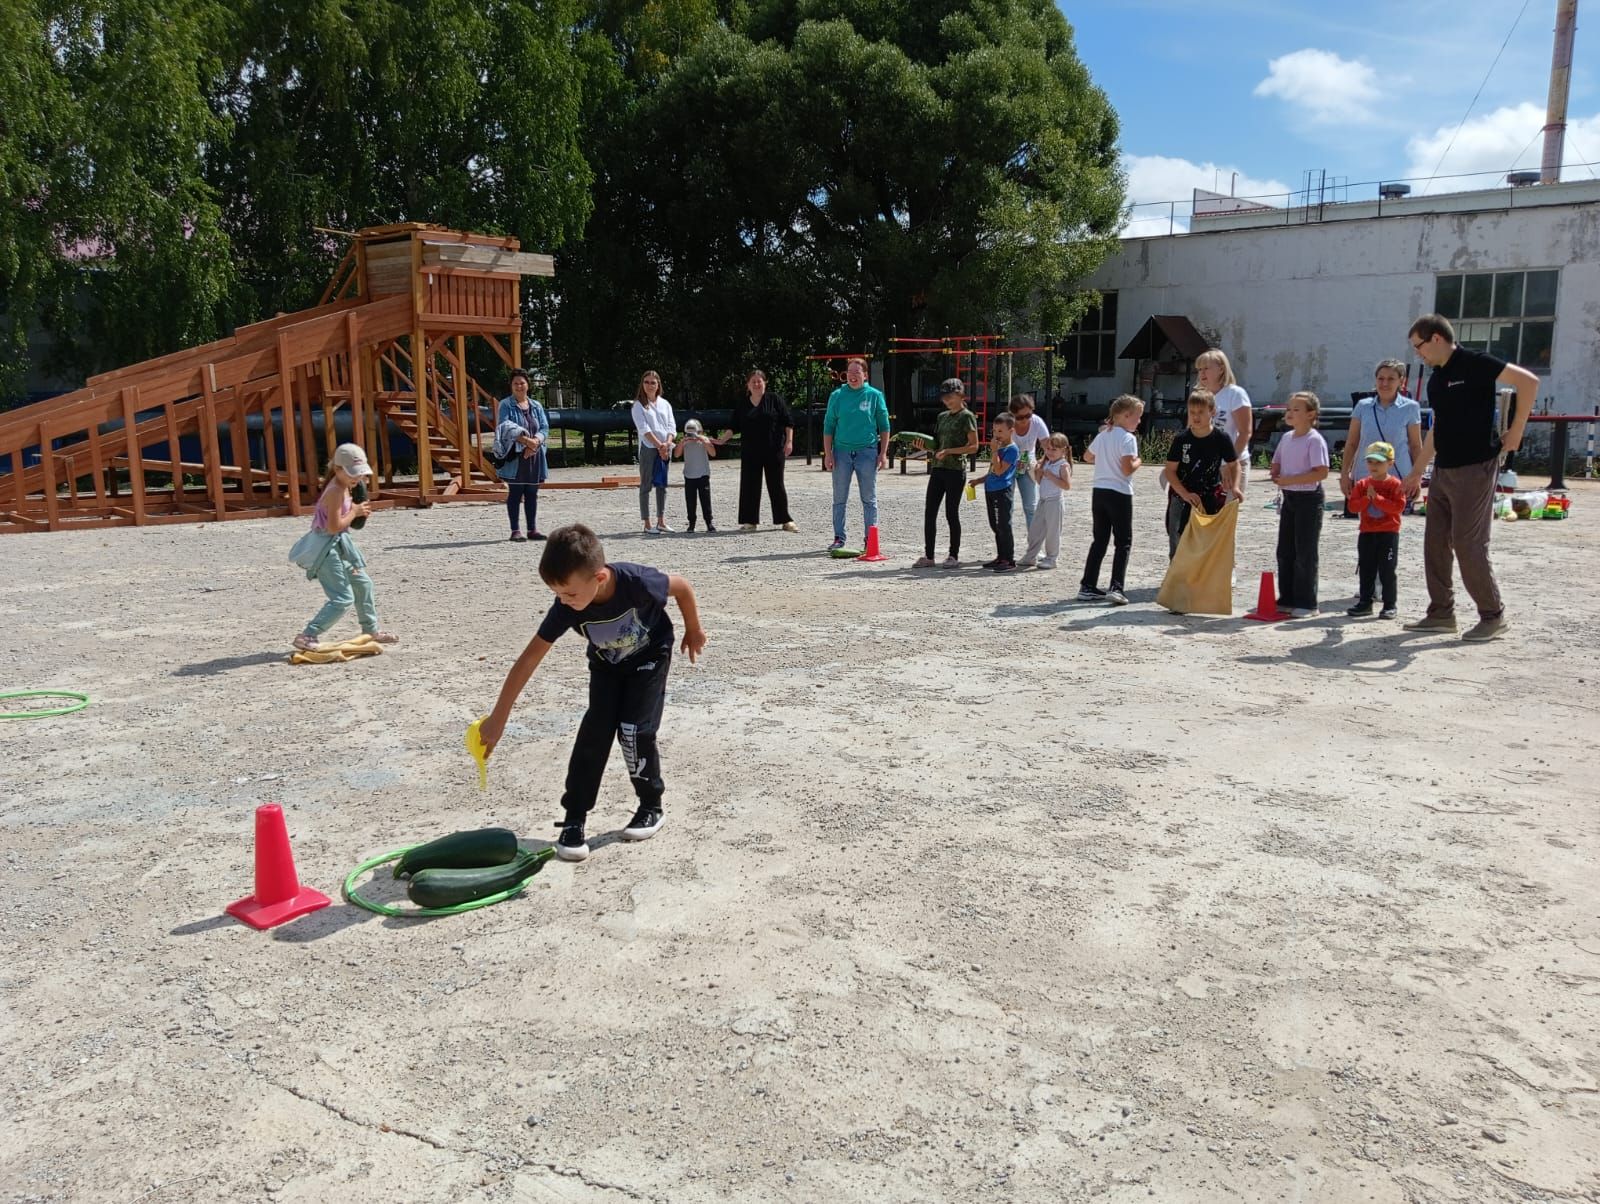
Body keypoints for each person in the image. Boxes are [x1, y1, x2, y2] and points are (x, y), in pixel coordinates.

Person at [475, 524, 707, 862]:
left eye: (568, 593)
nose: (562, 600)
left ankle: (650, 805)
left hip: (650, 656)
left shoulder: (637, 582)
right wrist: (499, 717)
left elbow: (682, 587)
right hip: (607, 666)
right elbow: (528, 660)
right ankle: (574, 819)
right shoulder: (566, 608)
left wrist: (694, 629)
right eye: (556, 593)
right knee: (594, 733)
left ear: (598, 578)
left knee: (633, 730)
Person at [1402, 314, 1534, 641]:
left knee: (1468, 542)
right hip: (1443, 469)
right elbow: (1439, 427)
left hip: (1476, 467)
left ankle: (1493, 615)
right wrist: (1418, 471)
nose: (1417, 354)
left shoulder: (1475, 362)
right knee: (1434, 542)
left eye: (1418, 346)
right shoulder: (1436, 379)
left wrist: (1516, 430)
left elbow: (1529, 382)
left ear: (1435, 338)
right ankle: (1441, 613)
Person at [289, 443, 399, 650]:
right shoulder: (336, 491)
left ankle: (370, 630)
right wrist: (355, 512)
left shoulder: (346, 486)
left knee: (363, 583)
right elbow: (333, 527)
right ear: (337, 469)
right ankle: (307, 635)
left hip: (338, 546)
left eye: (360, 474)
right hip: (325, 551)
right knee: (342, 598)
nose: (357, 478)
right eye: (352, 474)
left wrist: (357, 513)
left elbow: (342, 528)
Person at [1269, 391, 1330, 617]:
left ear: (1310, 414)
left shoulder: (1314, 440)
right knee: (1285, 549)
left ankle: (1307, 602)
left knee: (1305, 551)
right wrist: (1275, 470)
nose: (1290, 413)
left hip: (1309, 499)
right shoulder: (1286, 438)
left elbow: (1321, 472)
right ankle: (1287, 597)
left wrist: (1291, 480)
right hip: (1289, 498)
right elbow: (1277, 460)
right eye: (1289, 409)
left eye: (1296, 410)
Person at [1078, 394, 1143, 605]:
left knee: (1100, 540)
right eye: (1137, 417)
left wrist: (1105, 457)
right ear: (1125, 415)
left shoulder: (1104, 434)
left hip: (1099, 491)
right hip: (1119, 492)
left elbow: (1087, 457)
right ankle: (1116, 586)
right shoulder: (1127, 438)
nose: (1139, 421)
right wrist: (1138, 462)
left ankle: (1087, 585)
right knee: (1123, 542)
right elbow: (1126, 469)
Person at [822, 358, 890, 551]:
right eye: (849, 372)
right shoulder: (837, 396)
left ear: (865, 375)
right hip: (841, 452)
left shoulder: (874, 395)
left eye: (857, 372)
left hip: (867, 452)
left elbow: (884, 427)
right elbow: (828, 426)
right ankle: (839, 537)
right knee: (839, 497)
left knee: (869, 498)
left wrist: (882, 453)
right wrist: (828, 454)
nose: (852, 376)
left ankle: (870, 539)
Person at [1340, 358, 1422, 518]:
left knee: (1391, 525)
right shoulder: (1363, 406)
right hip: (1365, 475)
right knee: (1367, 526)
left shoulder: (1411, 408)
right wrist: (1344, 475)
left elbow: (1415, 445)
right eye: (1381, 378)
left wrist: (1416, 477)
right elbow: (1351, 443)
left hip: (1398, 479)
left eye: (1391, 379)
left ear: (1401, 381)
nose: (1385, 383)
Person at [1164, 389, 1240, 557]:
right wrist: (1184, 494)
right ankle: (1177, 578)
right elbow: (1169, 471)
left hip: (1209, 495)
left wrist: (1235, 487)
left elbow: (1235, 465)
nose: (1196, 417)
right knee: (1177, 537)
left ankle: (1202, 579)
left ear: (1212, 412)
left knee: (1207, 539)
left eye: (1201, 412)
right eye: (1192, 412)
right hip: (1182, 495)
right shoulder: (1181, 439)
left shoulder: (1221, 438)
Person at [913, 377, 979, 568]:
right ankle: (929, 556)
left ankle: (953, 555)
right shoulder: (942, 417)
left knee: (951, 512)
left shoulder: (967, 416)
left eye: (950, 396)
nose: (947, 401)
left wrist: (949, 451)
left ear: (960, 395)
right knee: (930, 512)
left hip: (955, 470)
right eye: (944, 397)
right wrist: (922, 445)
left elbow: (973, 447)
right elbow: (936, 444)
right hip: (938, 469)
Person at [730, 369, 796, 532]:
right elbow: (733, 427)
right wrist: (719, 440)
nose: (757, 384)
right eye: (753, 381)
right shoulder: (743, 404)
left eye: (760, 381)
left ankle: (785, 520)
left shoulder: (774, 400)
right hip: (750, 451)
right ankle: (750, 521)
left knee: (776, 484)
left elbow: (788, 422)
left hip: (774, 449)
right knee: (749, 485)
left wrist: (789, 442)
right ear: (748, 385)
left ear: (765, 383)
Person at [1346, 441, 1406, 619]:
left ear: (1390, 463)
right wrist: (1367, 499)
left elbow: (1397, 508)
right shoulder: (1362, 484)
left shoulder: (1395, 484)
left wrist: (1377, 498)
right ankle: (1365, 602)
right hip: (1367, 533)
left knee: (1387, 569)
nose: (1374, 466)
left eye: (1379, 462)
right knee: (1366, 568)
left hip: (1388, 533)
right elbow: (1352, 507)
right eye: (1370, 462)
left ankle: (1389, 604)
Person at [495, 368, 549, 542]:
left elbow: (544, 427)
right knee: (516, 492)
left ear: (528, 385)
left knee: (532, 492)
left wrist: (535, 443)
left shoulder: (536, 406)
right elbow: (504, 426)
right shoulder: (505, 405)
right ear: (511, 386)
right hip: (516, 456)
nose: (519, 386)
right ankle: (515, 530)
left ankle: (532, 529)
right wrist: (526, 442)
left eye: (522, 383)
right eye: (516, 383)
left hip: (535, 454)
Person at [1195, 349, 1253, 496]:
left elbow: (1245, 432)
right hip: (1204, 464)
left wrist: (1229, 463)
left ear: (1221, 369)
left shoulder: (1235, 394)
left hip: (1232, 464)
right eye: (1199, 369)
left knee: (1225, 515)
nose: (1202, 373)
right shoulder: (1199, 396)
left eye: (1206, 368)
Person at [971, 412, 1020, 572]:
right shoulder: (999, 448)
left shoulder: (1011, 450)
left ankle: (1009, 560)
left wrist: (993, 451)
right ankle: (1001, 557)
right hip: (991, 490)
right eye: (994, 431)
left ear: (1011, 431)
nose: (996, 435)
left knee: (1003, 525)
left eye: (1000, 431)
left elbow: (1000, 471)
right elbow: (993, 471)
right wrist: (979, 481)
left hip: (1002, 491)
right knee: (995, 525)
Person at [1017, 433, 1072, 569]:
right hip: (1043, 500)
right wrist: (1038, 473)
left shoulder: (1063, 465)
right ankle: (1031, 556)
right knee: (1035, 529)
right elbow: (1041, 483)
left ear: (1063, 450)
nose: (1050, 452)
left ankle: (1052, 558)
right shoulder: (1046, 462)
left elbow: (1067, 485)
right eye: (1048, 449)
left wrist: (1051, 476)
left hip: (1055, 501)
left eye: (1054, 449)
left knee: (1053, 532)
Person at [631, 370, 676, 534]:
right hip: (650, 448)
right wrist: (659, 446)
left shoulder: (665, 404)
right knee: (646, 485)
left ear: (658, 385)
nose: (649, 385)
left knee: (662, 484)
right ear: (642, 385)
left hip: (665, 447)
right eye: (646, 382)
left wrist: (667, 444)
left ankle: (661, 521)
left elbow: (672, 426)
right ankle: (647, 523)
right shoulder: (638, 405)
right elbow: (644, 429)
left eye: (653, 382)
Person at [1007, 395, 1051, 531]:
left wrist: (1041, 464)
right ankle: (1007, 547)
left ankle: (1034, 547)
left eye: (1028, 415)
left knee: (1031, 507)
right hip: (1008, 465)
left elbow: (1048, 447)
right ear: (1012, 414)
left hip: (1028, 465)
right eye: (1020, 417)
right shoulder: (1006, 422)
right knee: (1007, 507)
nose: (1025, 420)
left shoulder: (1037, 422)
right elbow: (998, 447)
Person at [674, 418, 717, 533]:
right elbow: (677, 454)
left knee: (705, 500)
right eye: (689, 432)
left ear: (700, 431)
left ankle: (709, 523)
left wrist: (704, 440)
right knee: (690, 501)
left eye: (694, 432)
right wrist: (683, 442)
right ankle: (691, 524)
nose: (692, 435)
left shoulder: (703, 440)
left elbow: (713, 453)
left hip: (703, 474)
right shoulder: (685, 442)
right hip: (689, 475)